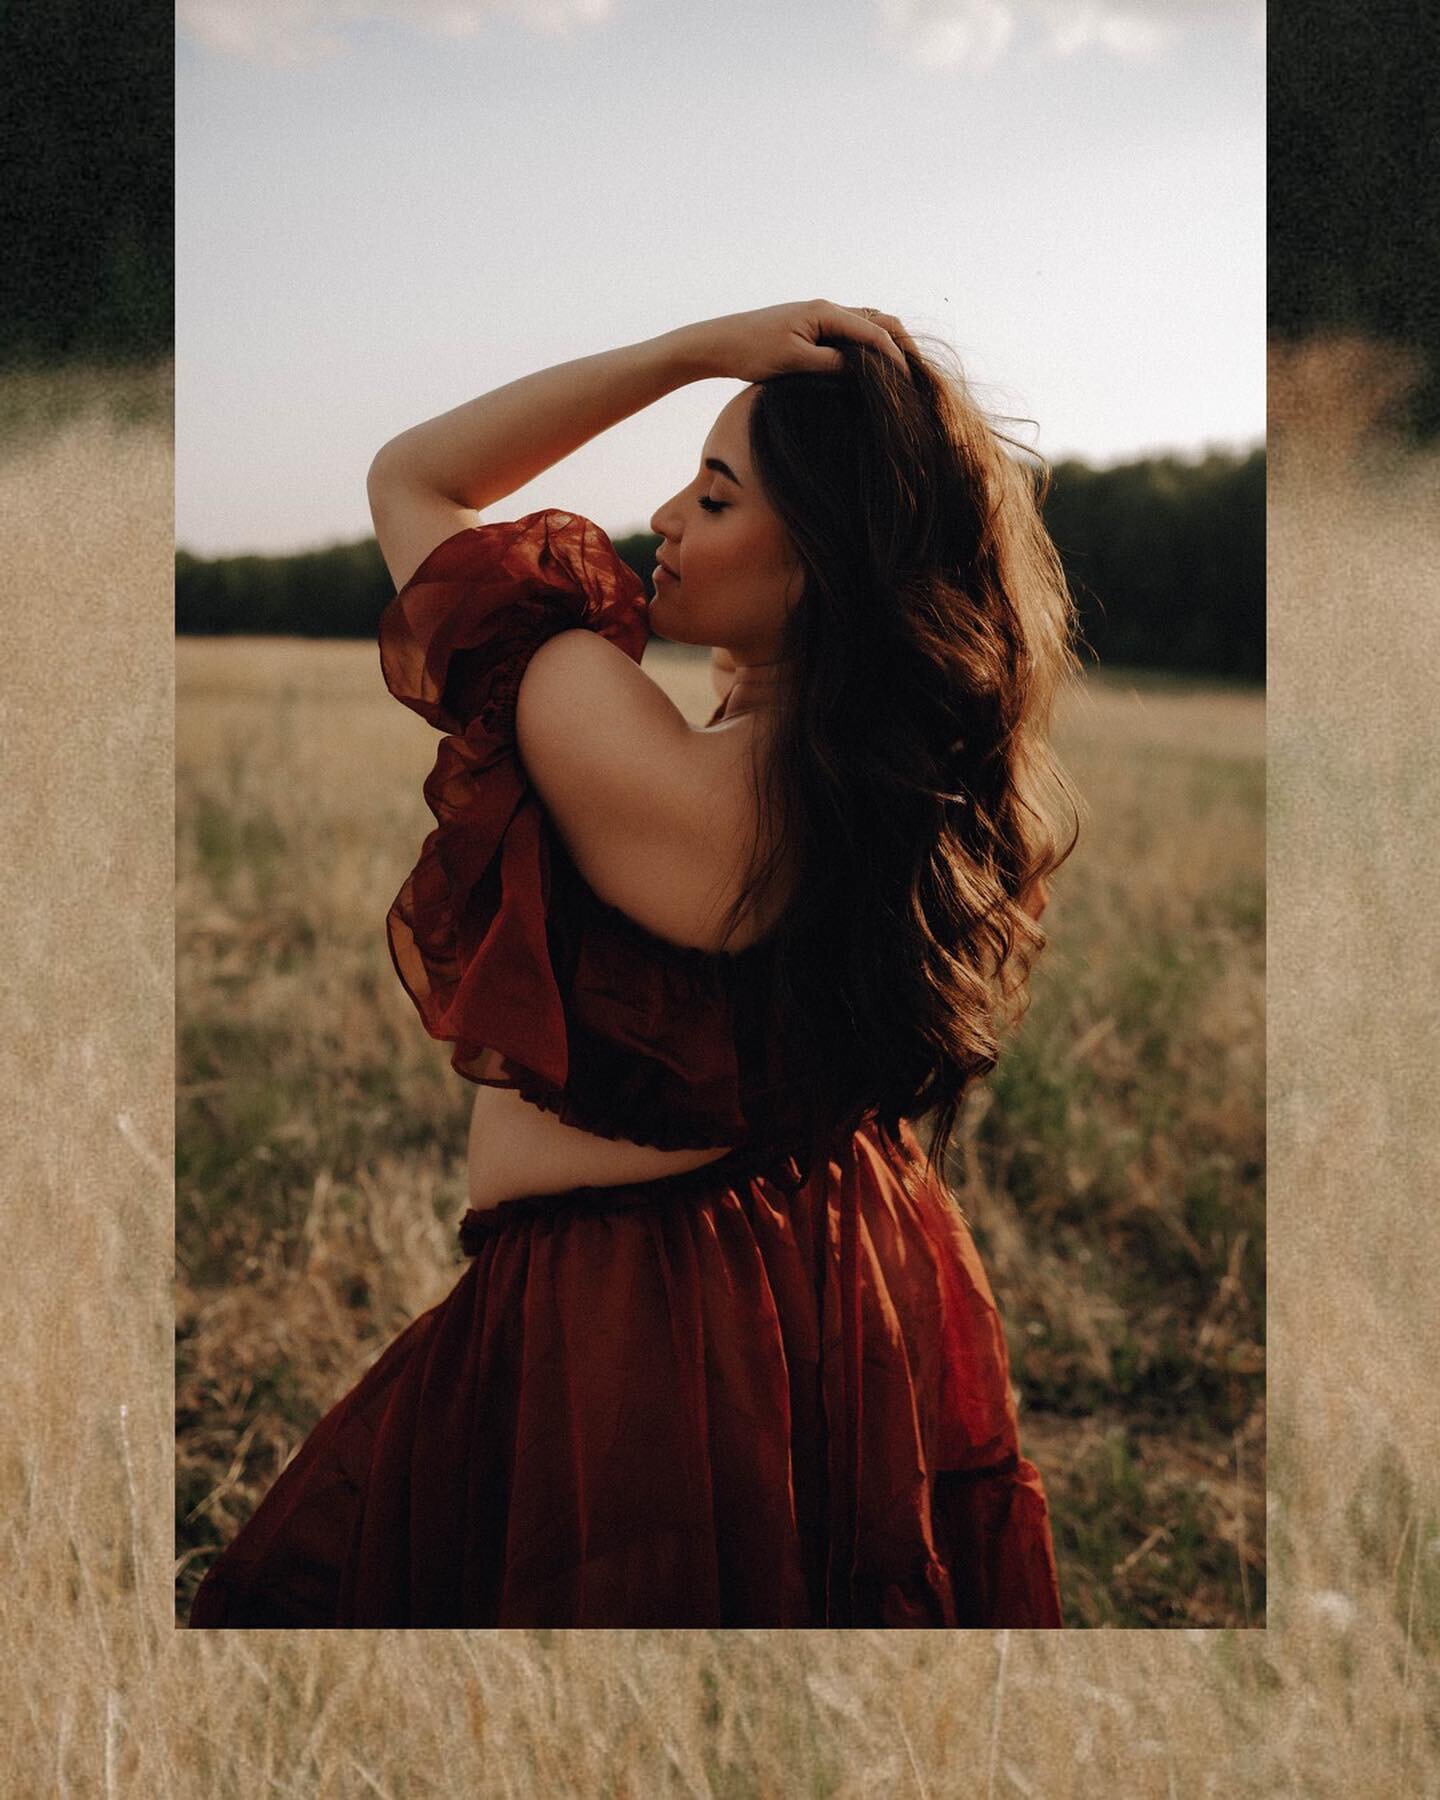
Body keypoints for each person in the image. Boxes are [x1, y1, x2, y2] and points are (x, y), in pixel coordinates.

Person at [188, 299, 1082, 1628]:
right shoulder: (886, 790)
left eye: (715, 497)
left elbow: (413, 478)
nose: (663, 515)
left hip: (649, 1315)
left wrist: (687, 353)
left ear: (827, 558)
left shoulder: (671, 781)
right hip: (846, 1259)